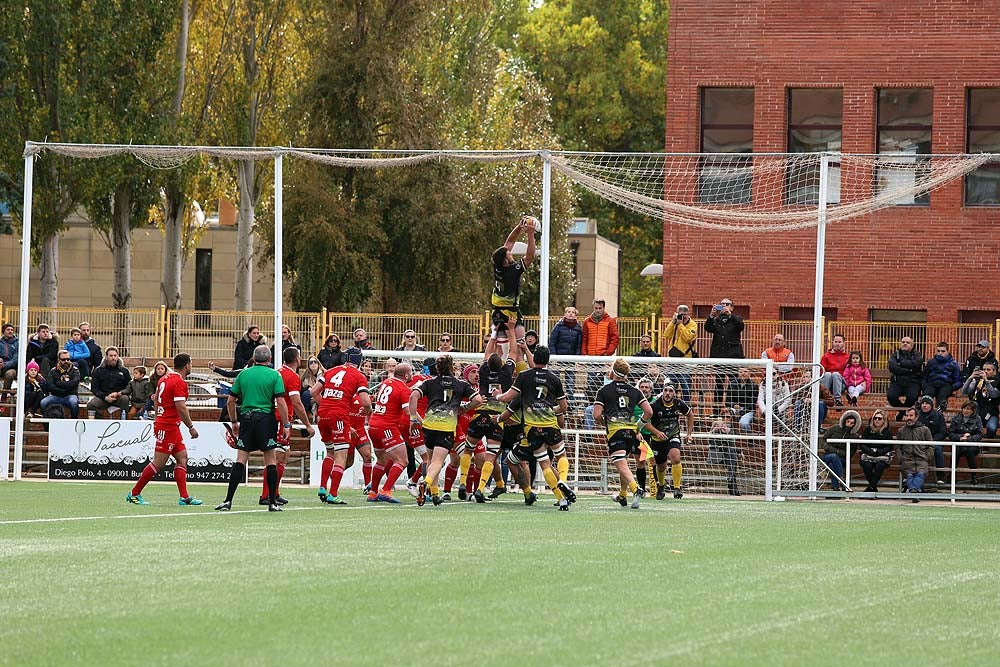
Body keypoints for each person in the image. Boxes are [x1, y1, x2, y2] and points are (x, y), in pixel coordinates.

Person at [495, 345, 576, 509]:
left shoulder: (524, 377)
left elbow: (508, 398)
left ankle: (561, 499)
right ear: (547, 360)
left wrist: (497, 395)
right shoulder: (554, 378)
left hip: (531, 429)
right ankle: (563, 480)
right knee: (561, 456)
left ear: (533, 358)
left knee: (544, 464)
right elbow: (564, 407)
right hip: (550, 425)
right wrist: (551, 410)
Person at [216, 346, 290, 512]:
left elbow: (230, 401)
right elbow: (281, 402)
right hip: (266, 420)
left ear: (254, 358)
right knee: (270, 459)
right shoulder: (274, 375)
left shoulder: (243, 374)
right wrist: (286, 425)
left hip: (247, 419)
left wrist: (234, 421)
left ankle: (228, 501)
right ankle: (272, 502)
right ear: (269, 359)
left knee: (241, 459)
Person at [126, 353, 202, 507]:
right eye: (191, 364)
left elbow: (156, 401)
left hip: (170, 424)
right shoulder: (178, 382)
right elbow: (181, 407)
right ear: (187, 365)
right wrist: (191, 427)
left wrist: (157, 419)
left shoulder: (164, 379)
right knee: (159, 463)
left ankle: (184, 497)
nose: (191, 366)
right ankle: (134, 493)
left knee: (182, 458)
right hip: (167, 426)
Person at [409, 355, 483, 506]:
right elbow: (478, 400)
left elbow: (413, 396)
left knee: (430, 460)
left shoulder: (429, 382)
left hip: (429, 426)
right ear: (451, 368)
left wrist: (412, 417)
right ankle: (426, 483)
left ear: (437, 368)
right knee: (438, 461)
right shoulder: (460, 384)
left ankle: (435, 495)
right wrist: (464, 408)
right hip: (446, 427)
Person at [310, 346, 372, 505]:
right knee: (341, 456)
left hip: (322, 414)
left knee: (330, 452)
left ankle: (323, 487)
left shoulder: (331, 371)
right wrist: (368, 411)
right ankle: (333, 494)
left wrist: (327, 405)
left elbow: (313, 392)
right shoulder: (359, 376)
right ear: (359, 361)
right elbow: (365, 401)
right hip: (338, 415)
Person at [593, 358, 654, 509]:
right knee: (624, 463)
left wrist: (604, 422)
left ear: (613, 371)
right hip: (631, 433)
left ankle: (635, 488)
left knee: (620, 463)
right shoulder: (635, 391)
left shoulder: (604, 390)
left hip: (615, 432)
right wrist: (638, 426)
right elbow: (649, 411)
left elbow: (596, 415)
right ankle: (622, 495)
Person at [462, 339, 517, 502]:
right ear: (501, 363)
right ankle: (480, 489)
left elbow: (487, 353)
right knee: (491, 457)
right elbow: (513, 352)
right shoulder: (507, 372)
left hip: (479, 416)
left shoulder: (483, 370)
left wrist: (494, 335)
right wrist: (511, 330)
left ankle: (463, 483)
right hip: (496, 418)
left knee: (468, 450)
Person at [260, 347, 316, 506]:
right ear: (297, 359)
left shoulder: (278, 371)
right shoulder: (291, 376)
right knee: (277, 457)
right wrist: (308, 425)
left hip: (279, 419)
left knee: (284, 454)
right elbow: (297, 403)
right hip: (280, 420)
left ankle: (274, 493)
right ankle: (266, 495)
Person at [366, 362, 415, 503]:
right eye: (411, 372)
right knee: (402, 460)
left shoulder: (387, 382)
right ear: (406, 375)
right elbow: (407, 411)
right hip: (386, 426)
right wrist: (419, 421)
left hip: (373, 424)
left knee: (381, 460)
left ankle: (373, 492)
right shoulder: (404, 388)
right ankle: (386, 490)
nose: (412, 375)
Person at [490, 216, 537, 342]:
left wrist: (519, 227)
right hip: (510, 312)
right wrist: (530, 234)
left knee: (500, 349)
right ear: (506, 260)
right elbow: (530, 256)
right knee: (520, 346)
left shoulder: (497, 265)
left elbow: (509, 243)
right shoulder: (512, 272)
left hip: (497, 312)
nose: (511, 253)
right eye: (509, 254)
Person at [645, 383, 693, 500]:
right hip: (657, 439)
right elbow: (645, 421)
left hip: (673, 435)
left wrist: (689, 433)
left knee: (675, 457)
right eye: (665, 390)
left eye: (670, 391)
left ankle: (677, 488)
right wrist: (656, 432)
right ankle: (661, 486)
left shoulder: (678, 403)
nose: (667, 393)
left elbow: (690, 414)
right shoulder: (655, 405)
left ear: (674, 393)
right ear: (662, 391)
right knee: (661, 466)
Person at [704, 297, 744, 403]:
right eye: (722, 304)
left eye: (727, 304)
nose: (725, 306)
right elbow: (708, 328)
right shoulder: (716, 320)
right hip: (719, 356)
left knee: (733, 382)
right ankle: (717, 411)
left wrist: (730, 315)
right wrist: (711, 315)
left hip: (733, 356)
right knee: (719, 383)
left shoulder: (737, 318)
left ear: (732, 307)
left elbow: (740, 326)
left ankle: (732, 407)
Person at [896, 406, 933, 501]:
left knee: (920, 474)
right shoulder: (901, 431)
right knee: (909, 475)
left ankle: (913, 491)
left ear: (916, 417)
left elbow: (931, 446)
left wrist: (927, 457)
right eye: (907, 415)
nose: (908, 418)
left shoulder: (925, 430)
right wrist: (901, 458)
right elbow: (897, 447)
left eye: (911, 415)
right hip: (907, 460)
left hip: (921, 460)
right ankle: (915, 492)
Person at [819, 409, 861, 492]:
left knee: (832, 465)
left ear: (854, 424)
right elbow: (824, 439)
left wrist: (843, 454)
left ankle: (835, 488)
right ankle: (842, 480)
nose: (849, 424)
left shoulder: (854, 436)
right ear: (844, 420)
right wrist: (827, 448)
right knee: (833, 457)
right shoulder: (835, 428)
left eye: (852, 423)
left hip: (842, 459)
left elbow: (852, 451)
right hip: (828, 455)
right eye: (848, 421)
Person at [663, 304, 696, 401]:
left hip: (686, 360)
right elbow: (666, 335)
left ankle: (686, 407)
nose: (682, 316)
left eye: (684, 314)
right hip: (673, 359)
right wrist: (673, 322)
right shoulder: (675, 323)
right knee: (670, 386)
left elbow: (687, 338)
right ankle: (671, 405)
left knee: (685, 386)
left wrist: (681, 324)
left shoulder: (693, 325)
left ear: (688, 314)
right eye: (680, 314)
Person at [87, 346, 131, 419]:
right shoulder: (98, 371)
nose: (113, 358)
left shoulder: (124, 370)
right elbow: (94, 388)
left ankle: (123, 422)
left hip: (119, 397)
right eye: (111, 356)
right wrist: (105, 397)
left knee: (125, 399)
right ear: (106, 357)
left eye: (115, 355)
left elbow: (129, 387)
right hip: (103, 398)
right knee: (91, 404)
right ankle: (101, 423)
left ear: (117, 357)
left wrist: (119, 393)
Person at [887, 336, 923, 420]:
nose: (905, 344)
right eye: (903, 342)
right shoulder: (895, 354)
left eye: (907, 342)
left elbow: (916, 364)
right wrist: (910, 370)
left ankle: (902, 413)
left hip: (912, 382)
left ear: (912, 345)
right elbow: (892, 367)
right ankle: (903, 412)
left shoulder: (917, 354)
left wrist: (900, 364)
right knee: (891, 397)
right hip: (897, 382)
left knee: (912, 397)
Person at [949, 401, 984, 485]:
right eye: (964, 408)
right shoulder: (956, 418)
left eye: (968, 409)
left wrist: (969, 438)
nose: (966, 411)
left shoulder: (977, 419)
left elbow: (980, 434)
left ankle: (974, 476)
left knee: (969, 450)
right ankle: (951, 476)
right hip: (958, 443)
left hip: (972, 444)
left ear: (972, 411)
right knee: (955, 450)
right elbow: (951, 433)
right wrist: (961, 437)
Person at [916, 395, 948, 486]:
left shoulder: (938, 415)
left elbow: (943, 432)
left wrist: (932, 440)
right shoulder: (917, 415)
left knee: (937, 450)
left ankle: (941, 476)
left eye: (927, 403)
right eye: (923, 403)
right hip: (919, 441)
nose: (924, 405)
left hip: (934, 441)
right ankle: (910, 475)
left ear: (931, 405)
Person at [706, 414, 741, 496]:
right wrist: (714, 431)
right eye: (724, 417)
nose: (725, 419)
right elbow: (711, 443)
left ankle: (731, 479)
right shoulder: (714, 430)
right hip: (717, 456)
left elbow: (732, 443)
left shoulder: (731, 431)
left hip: (728, 457)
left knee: (731, 451)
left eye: (728, 417)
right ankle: (731, 478)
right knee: (731, 453)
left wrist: (727, 432)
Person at [859, 410, 894, 492]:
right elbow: (862, 444)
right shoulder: (867, 430)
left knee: (880, 466)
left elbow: (889, 446)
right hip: (868, 454)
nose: (877, 420)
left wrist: (878, 452)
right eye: (875, 418)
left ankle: (871, 487)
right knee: (866, 465)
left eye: (879, 418)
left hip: (883, 455)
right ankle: (873, 487)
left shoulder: (887, 432)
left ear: (884, 420)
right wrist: (870, 451)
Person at [962, 362, 999, 437]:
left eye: (988, 370)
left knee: (992, 428)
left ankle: (989, 445)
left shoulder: (998, 382)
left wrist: (986, 381)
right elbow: (964, 391)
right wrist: (970, 378)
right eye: (984, 369)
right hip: (976, 412)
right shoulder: (977, 381)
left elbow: (994, 395)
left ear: (994, 372)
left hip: (991, 413)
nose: (985, 371)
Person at [921, 341, 962, 410]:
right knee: (927, 395)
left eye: (943, 351)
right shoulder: (931, 362)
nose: (940, 353)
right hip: (932, 383)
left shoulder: (953, 364)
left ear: (948, 351)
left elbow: (958, 380)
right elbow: (924, 377)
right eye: (938, 351)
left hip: (946, 385)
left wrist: (952, 388)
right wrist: (925, 387)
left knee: (942, 396)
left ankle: (939, 414)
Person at [41, 350, 80, 418]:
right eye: (63, 359)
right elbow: (50, 386)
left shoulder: (75, 370)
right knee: (43, 402)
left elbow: (74, 383)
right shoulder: (53, 371)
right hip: (56, 396)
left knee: (73, 402)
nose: (66, 361)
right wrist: (63, 389)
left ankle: (74, 422)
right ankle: (47, 425)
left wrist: (59, 383)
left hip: (70, 395)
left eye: (68, 359)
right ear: (58, 359)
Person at [819, 334, 849, 404]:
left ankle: (838, 400)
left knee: (836, 374)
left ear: (843, 343)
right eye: (835, 342)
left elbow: (850, 372)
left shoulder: (848, 357)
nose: (837, 344)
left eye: (839, 342)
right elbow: (821, 371)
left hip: (841, 384)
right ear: (833, 343)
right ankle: (824, 398)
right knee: (827, 374)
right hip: (828, 382)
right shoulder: (826, 356)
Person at [0, 323, 18, 390]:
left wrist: (4, 364)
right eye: (8, 330)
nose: (10, 331)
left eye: (12, 330)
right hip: (1, 366)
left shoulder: (17, 343)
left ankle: (4, 395)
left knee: (9, 374)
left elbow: (16, 359)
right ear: (3, 331)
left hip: (12, 368)